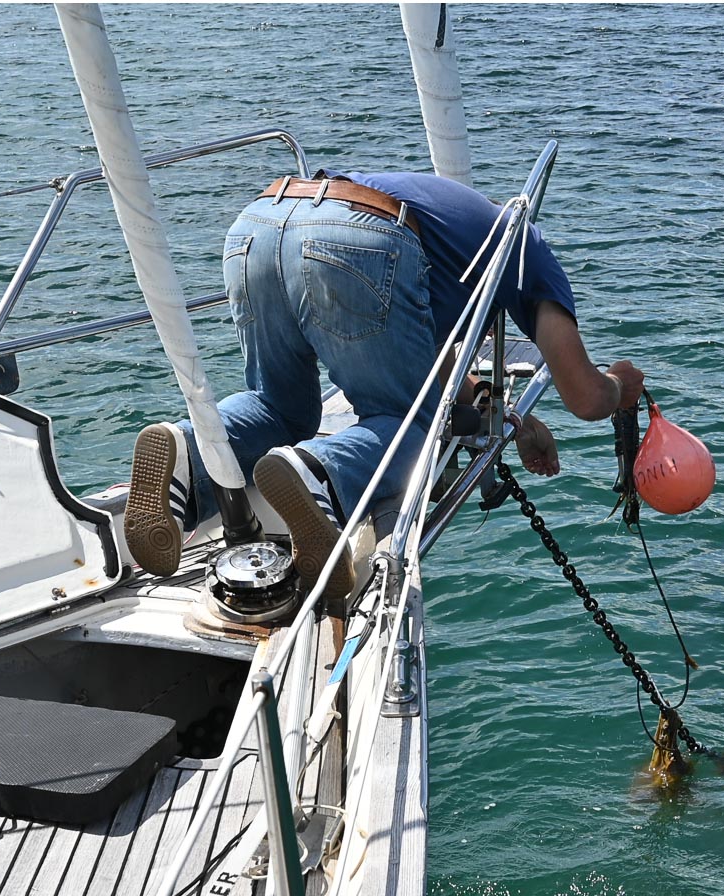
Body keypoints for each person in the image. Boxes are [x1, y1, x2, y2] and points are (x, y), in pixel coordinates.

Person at [124, 169, 646, 598]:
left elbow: (437, 378)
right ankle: (317, 475)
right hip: (363, 238)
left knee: (280, 409)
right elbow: (583, 394)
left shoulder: (453, 237)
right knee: (413, 431)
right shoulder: (529, 250)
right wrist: (622, 385)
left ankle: (188, 459)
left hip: (262, 220)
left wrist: (513, 421)